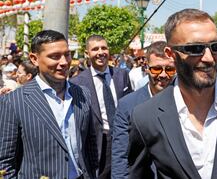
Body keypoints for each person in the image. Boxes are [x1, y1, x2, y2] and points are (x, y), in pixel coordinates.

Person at [128, 8, 217, 179]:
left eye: (215, 47)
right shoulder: (146, 116)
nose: (209, 58)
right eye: (195, 48)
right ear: (170, 54)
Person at [0, 30, 98, 178]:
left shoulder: (83, 94)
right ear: (34, 59)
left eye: (67, 54)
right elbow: (4, 163)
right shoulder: (14, 102)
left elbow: (90, 146)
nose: (64, 62)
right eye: (55, 56)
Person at [70, 34, 132, 179]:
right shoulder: (77, 82)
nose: (100, 52)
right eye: (95, 49)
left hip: (121, 137)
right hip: (96, 143)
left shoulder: (122, 75)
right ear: (87, 53)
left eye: (104, 48)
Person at [112, 41, 176, 178]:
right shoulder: (127, 105)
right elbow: (120, 156)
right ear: (146, 67)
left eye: (169, 69)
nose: (163, 75)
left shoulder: (188, 101)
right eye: (157, 69)